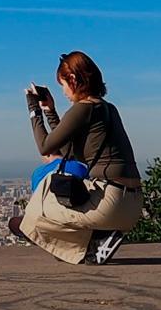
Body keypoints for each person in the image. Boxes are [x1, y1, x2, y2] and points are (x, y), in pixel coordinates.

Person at [12, 51, 143, 264]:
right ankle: (98, 240)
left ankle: (94, 242)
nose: (63, 91)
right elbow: (67, 149)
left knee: (32, 217)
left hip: (108, 203)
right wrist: (50, 111)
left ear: (73, 79)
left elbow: (46, 148)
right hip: (131, 204)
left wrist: (33, 109)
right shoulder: (108, 109)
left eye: (63, 84)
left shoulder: (83, 108)